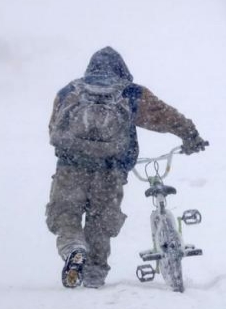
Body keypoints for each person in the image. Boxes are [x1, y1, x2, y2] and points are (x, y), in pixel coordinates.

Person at [46, 47, 207, 289]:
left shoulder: (70, 91)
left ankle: (73, 248)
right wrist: (190, 136)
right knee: (101, 221)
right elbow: (165, 116)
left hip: (71, 167)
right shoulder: (130, 93)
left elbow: (54, 129)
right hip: (109, 170)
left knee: (66, 214)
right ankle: (94, 273)